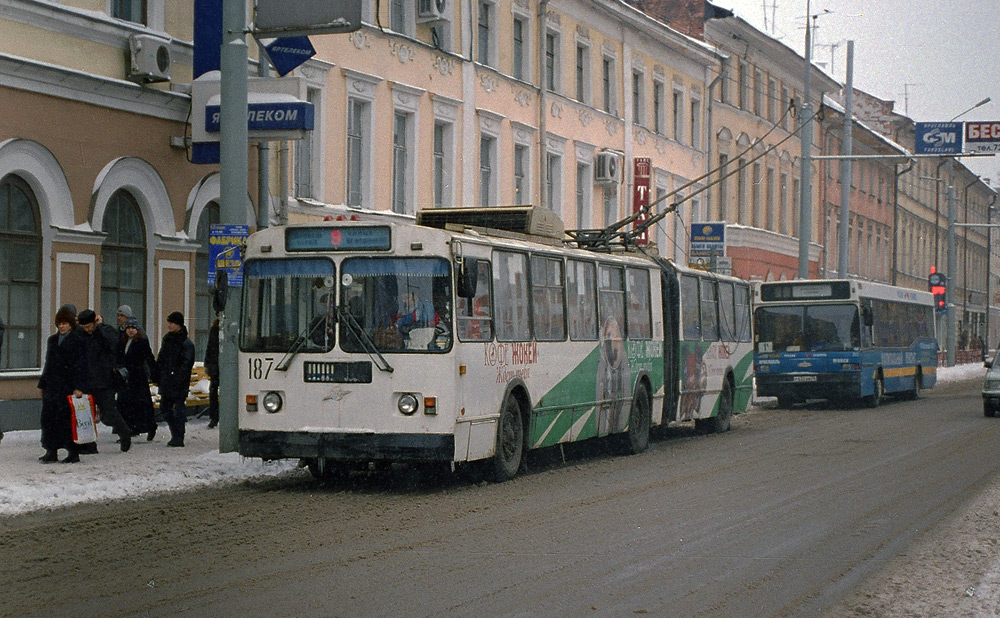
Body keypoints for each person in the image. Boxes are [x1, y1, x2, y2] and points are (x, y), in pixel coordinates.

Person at [37, 306, 88, 463]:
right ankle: (51, 450)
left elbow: (82, 365)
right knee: (49, 419)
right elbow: (48, 363)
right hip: (52, 385)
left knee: (66, 420)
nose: (61, 326)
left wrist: (79, 387)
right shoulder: (52, 340)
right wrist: (42, 384)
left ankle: (73, 451)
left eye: (64, 323)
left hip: (68, 386)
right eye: (59, 324)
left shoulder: (78, 341)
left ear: (71, 324)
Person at [77, 310, 131, 452]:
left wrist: (100, 327)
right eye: (85, 327)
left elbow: (113, 343)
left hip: (105, 381)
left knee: (108, 415)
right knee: (86, 416)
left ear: (95, 323)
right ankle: (89, 445)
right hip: (87, 381)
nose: (88, 330)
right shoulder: (81, 335)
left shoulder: (105, 331)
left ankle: (125, 433)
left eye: (90, 326)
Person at [156, 311, 194, 447]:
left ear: (178, 324)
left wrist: (177, 377)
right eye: (169, 322)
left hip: (178, 382)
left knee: (179, 409)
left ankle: (179, 436)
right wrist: (158, 373)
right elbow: (161, 358)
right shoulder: (167, 339)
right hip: (167, 380)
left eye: (172, 323)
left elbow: (187, 363)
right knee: (165, 408)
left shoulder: (186, 343)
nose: (169, 325)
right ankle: (175, 433)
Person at [117, 318, 158, 441]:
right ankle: (128, 429)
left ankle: (150, 427)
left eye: (133, 328)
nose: (130, 330)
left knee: (142, 405)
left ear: (137, 330)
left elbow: (149, 358)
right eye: (128, 328)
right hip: (125, 378)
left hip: (138, 378)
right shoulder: (122, 341)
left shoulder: (141, 342)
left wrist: (155, 374)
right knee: (125, 405)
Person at [204, 314, 220, 429]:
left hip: (225, 365)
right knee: (213, 391)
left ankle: (217, 416)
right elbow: (210, 346)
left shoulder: (231, 327)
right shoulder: (215, 329)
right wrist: (207, 363)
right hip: (215, 365)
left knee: (218, 391)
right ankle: (214, 416)